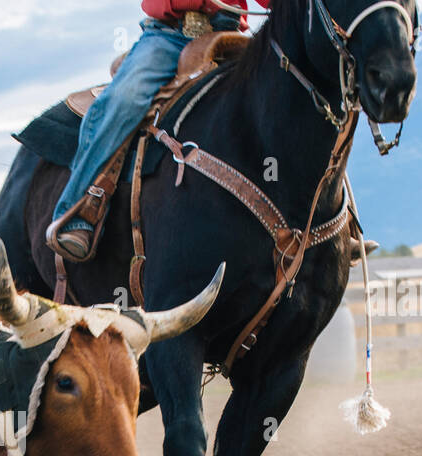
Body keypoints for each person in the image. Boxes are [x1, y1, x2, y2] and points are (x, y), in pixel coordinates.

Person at [48, 0, 268, 262]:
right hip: (169, 36)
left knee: (279, 91)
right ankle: (82, 210)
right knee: (124, 99)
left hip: (230, 35)